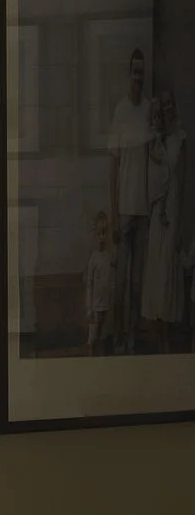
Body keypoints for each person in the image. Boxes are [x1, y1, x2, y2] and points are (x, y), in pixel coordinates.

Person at [106, 47, 155, 323]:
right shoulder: (121, 111)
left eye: (141, 72)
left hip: (143, 209)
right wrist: (114, 214)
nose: (138, 77)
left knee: (137, 281)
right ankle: (117, 336)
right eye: (134, 71)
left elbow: (155, 160)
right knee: (121, 280)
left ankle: (133, 336)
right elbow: (113, 168)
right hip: (124, 209)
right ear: (129, 74)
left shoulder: (150, 110)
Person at [139, 86, 188, 348]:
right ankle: (159, 339)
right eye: (163, 105)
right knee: (157, 266)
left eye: (170, 104)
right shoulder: (155, 140)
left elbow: (183, 180)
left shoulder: (180, 138)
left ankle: (170, 335)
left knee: (170, 261)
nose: (167, 108)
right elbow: (154, 178)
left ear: (174, 106)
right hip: (160, 210)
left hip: (175, 207)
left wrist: (180, 221)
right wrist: (158, 208)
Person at [81, 213, 119, 355]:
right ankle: (90, 350)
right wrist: (89, 308)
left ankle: (99, 352)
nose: (101, 237)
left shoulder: (108, 256)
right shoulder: (94, 258)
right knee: (94, 329)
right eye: (99, 234)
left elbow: (114, 264)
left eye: (104, 233)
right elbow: (89, 284)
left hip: (105, 300)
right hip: (95, 302)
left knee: (102, 329)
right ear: (95, 235)